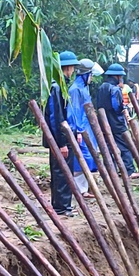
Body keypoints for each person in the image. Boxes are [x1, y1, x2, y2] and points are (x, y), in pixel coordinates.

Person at [43, 50, 80, 217]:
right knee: (61, 171)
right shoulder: (56, 87)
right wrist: (61, 142)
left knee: (64, 170)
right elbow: (55, 117)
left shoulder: (60, 85)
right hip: (59, 138)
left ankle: (64, 205)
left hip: (62, 136)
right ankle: (61, 207)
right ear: (68, 67)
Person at [96, 63, 139, 179]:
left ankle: (111, 171)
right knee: (125, 145)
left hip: (103, 122)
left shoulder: (102, 87)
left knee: (108, 147)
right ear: (117, 76)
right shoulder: (115, 89)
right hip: (116, 122)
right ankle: (129, 170)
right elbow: (116, 106)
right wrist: (123, 110)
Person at [69, 58, 98, 198]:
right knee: (81, 157)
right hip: (82, 129)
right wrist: (78, 130)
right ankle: (80, 189)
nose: (91, 78)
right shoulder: (75, 90)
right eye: (91, 75)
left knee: (89, 155)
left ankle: (85, 188)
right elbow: (74, 111)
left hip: (87, 128)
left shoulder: (83, 88)